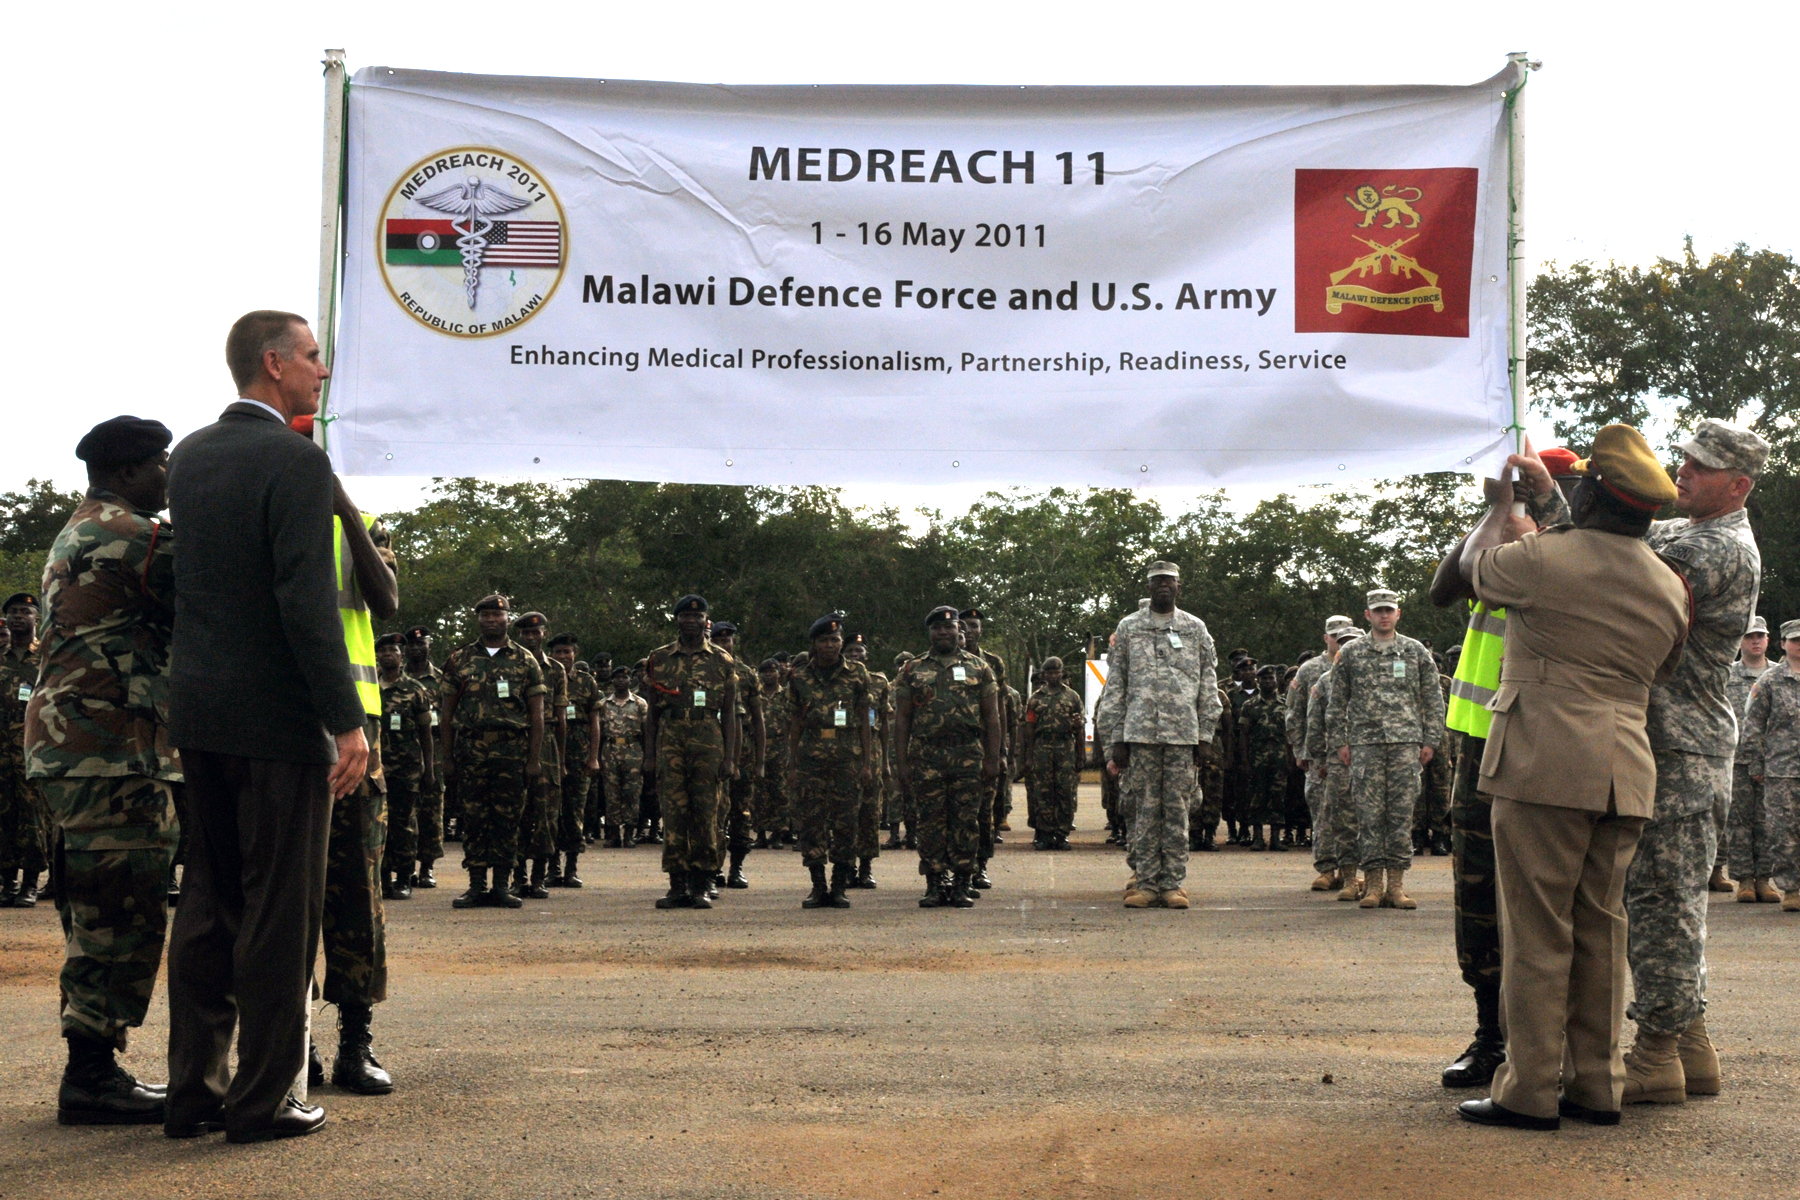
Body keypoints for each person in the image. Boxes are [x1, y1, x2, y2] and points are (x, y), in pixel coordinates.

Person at [163, 310, 370, 1142]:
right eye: (313, 358)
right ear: (275, 364)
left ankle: (194, 1094)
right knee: (282, 913)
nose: (322, 371)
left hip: (201, 713)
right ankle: (262, 1101)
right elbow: (304, 602)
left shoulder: (189, 455)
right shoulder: (295, 458)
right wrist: (345, 721)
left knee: (209, 903)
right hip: (278, 721)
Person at [1453, 426, 1688, 1131]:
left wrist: (1501, 502)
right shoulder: (1668, 584)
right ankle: (1596, 1083)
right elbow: (1664, 667)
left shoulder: (1542, 559)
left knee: (1537, 930)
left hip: (1542, 762)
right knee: (1600, 930)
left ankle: (1527, 1090)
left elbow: (1475, 568)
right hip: (1625, 767)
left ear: (1591, 492)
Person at [24, 417, 177, 1124]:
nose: (169, 477)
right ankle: (89, 1078)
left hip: (75, 745)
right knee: (123, 907)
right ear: (126, 473)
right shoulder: (130, 534)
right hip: (106, 748)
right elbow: (228, 582)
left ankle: (95, 1065)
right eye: (161, 465)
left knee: (94, 906)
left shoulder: (81, 528)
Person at [1624, 418, 1766, 1105]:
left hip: (1680, 746)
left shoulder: (1719, 550)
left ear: (1738, 486)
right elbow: (1626, 538)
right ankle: (1689, 1044)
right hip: (1673, 739)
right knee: (1666, 899)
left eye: (1700, 467)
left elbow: (1615, 566)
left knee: (1662, 901)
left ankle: (1655, 1052)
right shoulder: (1692, 533)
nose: (1682, 472)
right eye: (1682, 458)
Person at [1094, 562, 1222, 910]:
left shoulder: (1195, 628)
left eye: (1169, 581)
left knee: (1178, 811)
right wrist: (1114, 740)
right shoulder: (1130, 627)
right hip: (1140, 736)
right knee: (1143, 811)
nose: (1163, 586)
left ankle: (1173, 885)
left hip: (1183, 737)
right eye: (1157, 581)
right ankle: (1146, 883)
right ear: (1148, 587)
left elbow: (1208, 685)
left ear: (1179, 586)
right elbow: (1115, 687)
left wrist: (1205, 734)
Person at [1326, 589, 1444, 910]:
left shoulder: (1415, 651)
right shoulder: (1351, 653)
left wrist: (1431, 739)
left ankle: (1397, 886)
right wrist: (1340, 742)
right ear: (1367, 615)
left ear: (1398, 613)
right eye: (1378, 611)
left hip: (1406, 745)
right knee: (1369, 815)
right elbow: (1336, 702)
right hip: (1365, 745)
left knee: (1402, 816)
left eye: (1389, 610)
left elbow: (1433, 698)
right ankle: (1373, 885)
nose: (1384, 616)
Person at [440, 595, 546, 910]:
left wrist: (534, 759)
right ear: (478, 619)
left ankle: (501, 885)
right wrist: (446, 759)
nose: (491, 620)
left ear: (507, 618)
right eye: (485, 614)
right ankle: (475, 886)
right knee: (473, 818)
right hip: (471, 748)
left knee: (508, 818)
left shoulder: (525, 660)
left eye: (497, 615)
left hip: (511, 749)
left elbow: (537, 715)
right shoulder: (459, 659)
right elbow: (446, 714)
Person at [895, 607, 1003, 908]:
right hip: (926, 755)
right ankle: (934, 882)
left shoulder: (980, 668)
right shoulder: (912, 670)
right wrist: (901, 763)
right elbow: (902, 719)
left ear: (960, 631)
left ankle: (962, 882)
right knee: (929, 821)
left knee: (966, 820)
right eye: (937, 629)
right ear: (930, 633)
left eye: (950, 628)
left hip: (967, 754)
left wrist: (993, 759)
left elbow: (992, 718)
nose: (944, 633)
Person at [642, 595, 738, 910]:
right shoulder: (658, 659)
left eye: (698, 617)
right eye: (685, 616)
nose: (691, 621)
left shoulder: (722, 660)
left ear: (706, 621)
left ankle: (702, 882)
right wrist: (650, 755)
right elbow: (652, 713)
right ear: (677, 620)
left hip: (708, 738)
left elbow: (729, 713)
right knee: (674, 813)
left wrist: (729, 758)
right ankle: (676, 885)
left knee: (706, 813)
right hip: (670, 736)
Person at [785, 615, 874, 908]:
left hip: (847, 756)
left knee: (846, 822)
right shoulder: (799, 677)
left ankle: (838, 887)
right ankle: (817, 886)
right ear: (814, 643)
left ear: (841, 643)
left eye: (835, 640)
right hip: (810, 756)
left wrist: (867, 763)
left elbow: (864, 720)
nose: (829, 645)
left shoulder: (858, 674)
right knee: (811, 821)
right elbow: (795, 723)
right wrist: (792, 764)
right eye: (824, 640)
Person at [1288, 617, 1353, 889]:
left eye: (1344, 635)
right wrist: (1300, 749)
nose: (1339, 640)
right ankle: (1326, 867)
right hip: (1319, 752)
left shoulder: (1359, 665)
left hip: (1351, 753)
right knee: (1322, 812)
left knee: (1351, 814)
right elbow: (1295, 711)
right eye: (1334, 635)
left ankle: (1350, 870)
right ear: (1325, 637)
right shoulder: (1310, 669)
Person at [1741, 620, 1800, 911]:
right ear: (1783, 644)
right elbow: (1752, 725)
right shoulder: (1769, 680)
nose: (1799, 644)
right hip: (1781, 771)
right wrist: (1756, 762)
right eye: (1794, 640)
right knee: (1782, 832)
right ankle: (1791, 889)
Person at [509, 612, 565, 899]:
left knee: (546, 814)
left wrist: (562, 760)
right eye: (526, 634)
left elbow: (560, 716)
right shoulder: (511, 664)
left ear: (544, 633)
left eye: (536, 633)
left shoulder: (556, 669)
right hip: (517, 742)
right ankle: (517, 877)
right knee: (517, 812)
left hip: (548, 746)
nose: (531, 638)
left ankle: (539, 877)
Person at [376, 634, 436, 901]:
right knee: (377, 824)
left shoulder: (415, 689)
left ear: (402, 657)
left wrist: (430, 770)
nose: (388, 654)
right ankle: (381, 878)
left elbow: (426, 733)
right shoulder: (368, 687)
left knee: (404, 824)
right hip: (375, 768)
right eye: (383, 650)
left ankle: (403, 877)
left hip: (407, 769)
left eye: (394, 650)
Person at [709, 621, 765, 890]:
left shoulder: (746, 674)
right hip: (710, 749)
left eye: (728, 640)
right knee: (714, 813)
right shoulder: (704, 668)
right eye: (718, 640)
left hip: (742, 753)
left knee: (741, 814)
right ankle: (713, 868)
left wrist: (759, 761)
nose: (723, 644)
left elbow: (757, 719)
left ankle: (737, 868)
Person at [0, 590, 48, 906]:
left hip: (34, 748)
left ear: (36, 619)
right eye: (14, 612)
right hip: (2, 750)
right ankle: (8, 883)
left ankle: (30, 883)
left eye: (25, 612)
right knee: (4, 815)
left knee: (34, 816)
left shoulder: (47, 656)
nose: (19, 616)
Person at [1306, 627, 1361, 898]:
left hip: (1369, 756)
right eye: (1342, 643)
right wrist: (1318, 759)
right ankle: (1334, 872)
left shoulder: (1373, 677)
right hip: (1336, 761)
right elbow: (1314, 723)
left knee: (1370, 818)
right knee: (1336, 818)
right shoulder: (1325, 681)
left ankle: (1363, 876)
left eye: (1353, 643)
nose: (1347, 648)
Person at [958, 609, 1008, 890]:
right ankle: (957, 866)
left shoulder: (992, 663)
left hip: (984, 744)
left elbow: (998, 708)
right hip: (957, 746)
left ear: (980, 630)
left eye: (974, 626)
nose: (970, 630)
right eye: (964, 626)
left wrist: (1000, 750)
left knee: (984, 811)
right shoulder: (945, 660)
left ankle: (981, 866)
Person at [1726, 618, 1775, 902]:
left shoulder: (1779, 675)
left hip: (1775, 761)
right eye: (1749, 636)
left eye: (1760, 636)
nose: (1755, 641)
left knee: (1767, 823)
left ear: (1769, 640)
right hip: (1737, 760)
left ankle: (1764, 880)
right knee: (1739, 822)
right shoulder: (1728, 675)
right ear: (1740, 641)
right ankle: (1744, 880)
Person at [547, 633, 600, 887]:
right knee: (550, 811)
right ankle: (552, 867)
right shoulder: (545, 677)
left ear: (574, 654)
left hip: (578, 752)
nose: (563, 657)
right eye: (558, 652)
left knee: (575, 811)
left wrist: (593, 757)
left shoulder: (587, 682)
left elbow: (595, 721)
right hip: (552, 751)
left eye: (567, 652)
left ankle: (571, 868)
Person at [1020, 657, 1083, 851]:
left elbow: (1079, 727)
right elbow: (1029, 729)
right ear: (1044, 675)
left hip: (1065, 747)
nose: (1054, 676)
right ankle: (1044, 833)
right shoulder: (1036, 699)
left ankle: (1061, 834)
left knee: (1065, 791)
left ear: (1062, 673)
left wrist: (1081, 755)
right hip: (1042, 747)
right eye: (1049, 673)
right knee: (1042, 792)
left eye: (1057, 672)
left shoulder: (1072, 697)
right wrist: (1028, 756)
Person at [844, 633, 890, 888]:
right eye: (850, 651)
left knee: (871, 813)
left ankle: (866, 867)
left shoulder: (880, 682)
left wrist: (885, 762)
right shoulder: (838, 680)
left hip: (872, 753)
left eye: (858, 651)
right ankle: (847, 866)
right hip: (846, 751)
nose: (854, 656)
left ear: (866, 655)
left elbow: (883, 723)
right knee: (846, 812)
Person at [401, 626, 446, 885]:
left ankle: (427, 866)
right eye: (411, 645)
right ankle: (403, 865)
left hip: (434, 753)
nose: (416, 649)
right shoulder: (396, 677)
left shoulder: (440, 679)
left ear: (429, 645)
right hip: (402, 752)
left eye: (421, 644)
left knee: (431, 811)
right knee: (404, 811)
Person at [1238, 665, 1288, 851]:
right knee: (1257, 796)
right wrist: (1244, 761)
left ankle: (1276, 838)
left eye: (1271, 678)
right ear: (1259, 681)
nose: (1268, 682)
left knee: (1278, 796)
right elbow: (1243, 735)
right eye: (1264, 679)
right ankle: (1258, 837)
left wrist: (1291, 758)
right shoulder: (1249, 706)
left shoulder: (1285, 704)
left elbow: (1290, 734)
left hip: (1280, 758)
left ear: (1276, 681)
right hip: (1257, 759)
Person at [599, 667, 648, 846]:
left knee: (632, 793)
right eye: (617, 678)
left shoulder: (640, 704)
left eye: (625, 677)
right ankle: (613, 835)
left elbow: (646, 731)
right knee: (611, 794)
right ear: (612, 681)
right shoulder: (604, 704)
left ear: (630, 680)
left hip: (633, 750)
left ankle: (629, 834)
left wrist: (648, 756)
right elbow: (598, 730)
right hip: (610, 750)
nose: (621, 681)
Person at [755, 658, 792, 849]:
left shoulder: (785, 695)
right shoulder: (756, 695)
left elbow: (790, 721)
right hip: (758, 746)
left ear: (779, 673)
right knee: (759, 792)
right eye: (765, 672)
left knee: (780, 790)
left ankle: (778, 833)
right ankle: (760, 834)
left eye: (772, 671)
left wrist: (788, 747)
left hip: (779, 746)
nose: (769, 675)